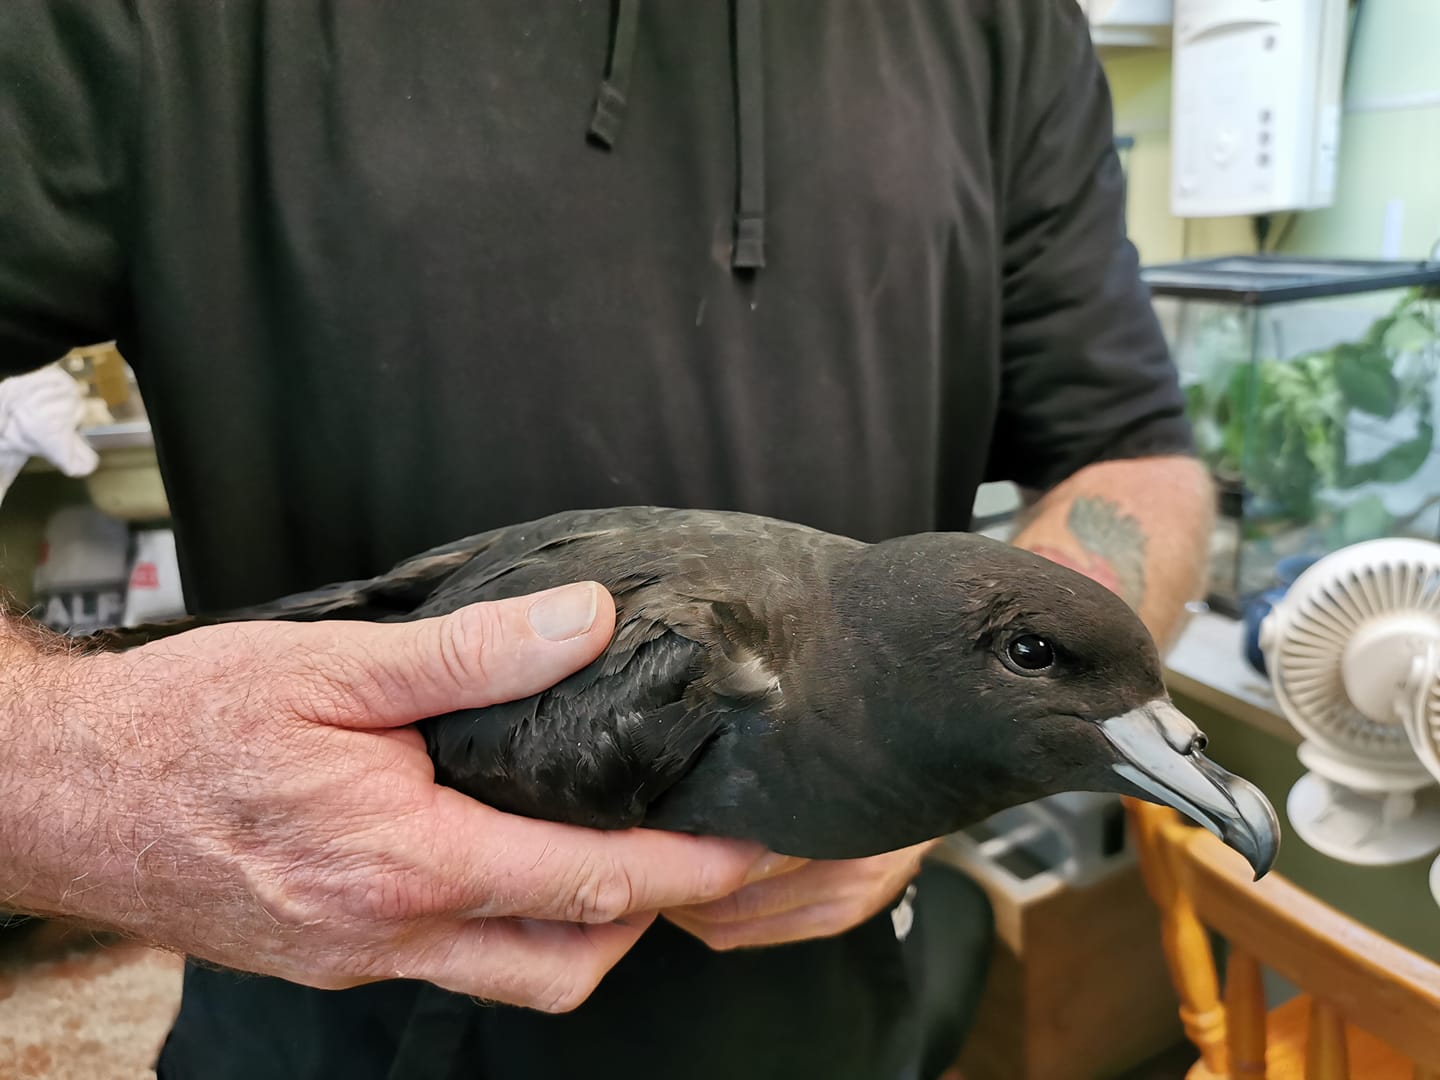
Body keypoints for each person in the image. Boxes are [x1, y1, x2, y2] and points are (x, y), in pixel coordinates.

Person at [0, 2, 1215, 1078]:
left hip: (822, 1028)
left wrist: (950, 753)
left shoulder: (1003, 20)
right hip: (340, 1030)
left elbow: (1130, 446)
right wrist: (79, 766)